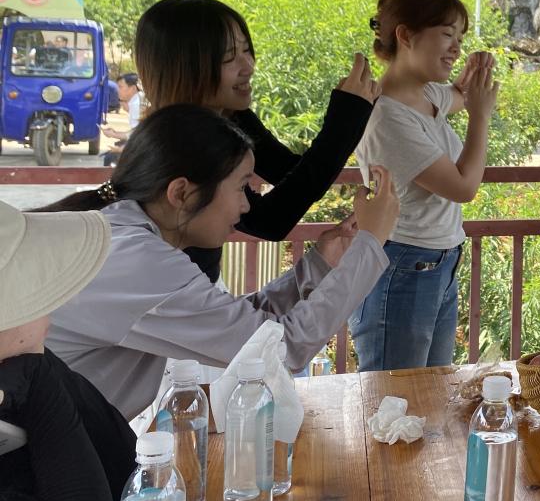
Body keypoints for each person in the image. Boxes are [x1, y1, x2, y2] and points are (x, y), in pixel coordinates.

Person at [41, 104, 400, 420]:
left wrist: (319, 264)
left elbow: (244, 327)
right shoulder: (137, 261)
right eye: (242, 187)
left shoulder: (126, 238)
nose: (246, 205)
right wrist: (370, 242)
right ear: (181, 193)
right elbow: (282, 349)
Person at [134, 0, 379, 283]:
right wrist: (345, 120)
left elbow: (289, 171)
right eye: (229, 56)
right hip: (167, 295)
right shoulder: (177, 143)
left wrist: (352, 116)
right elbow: (269, 221)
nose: (248, 65)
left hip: (199, 285)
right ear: (183, 67)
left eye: (246, 50)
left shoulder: (230, 116)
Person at [349, 0, 499, 371]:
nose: (456, 48)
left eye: (460, 38)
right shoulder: (387, 116)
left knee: (430, 392)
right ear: (405, 35)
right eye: (447, 35)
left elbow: (459, 94)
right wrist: (481, 118)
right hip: (402, 266)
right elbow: (463, 187)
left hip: (438, 263)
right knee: (394, 396)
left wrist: (474, 73)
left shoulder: (427, 94)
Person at [0, 200, 135, 501]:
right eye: (34, 294)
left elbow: (127, 461)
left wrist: (34, 375)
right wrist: (36, 379)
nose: (50, 313)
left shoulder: (26, 364)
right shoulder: (29, 371)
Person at [102, 73, 143, 165]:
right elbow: (135, 132)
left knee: (110, 158)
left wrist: (121, 149)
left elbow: (139, 136)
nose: (117, 90)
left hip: (146, 149)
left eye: (120, 87)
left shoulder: (136, 104)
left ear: (133, 88)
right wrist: (114, 134)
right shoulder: (137, 101)